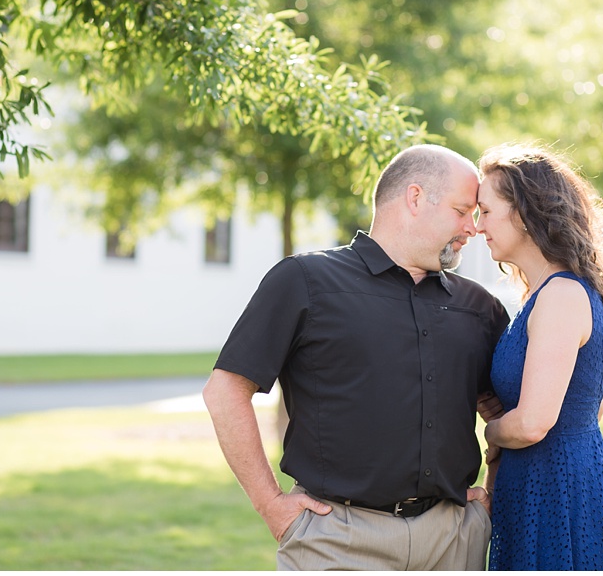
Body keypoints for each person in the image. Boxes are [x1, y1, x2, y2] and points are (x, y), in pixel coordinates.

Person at [203, 144, 510, 571]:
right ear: (416, 198)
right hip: (336, 540)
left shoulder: (480, 306)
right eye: (462, 211)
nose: (471, 228)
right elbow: (225, 391)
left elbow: (503, 411)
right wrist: (270, 503)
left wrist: (492, 491)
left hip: (452, 541)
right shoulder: (305, 280)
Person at [475, 143, 603, 570]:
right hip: (546, 484)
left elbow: (534, 423)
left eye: (486, 211)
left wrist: (493, 434)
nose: (478, 226)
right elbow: (592, 403)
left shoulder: (561, 295)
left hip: (560, 496)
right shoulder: (544, 295)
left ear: (523, 212)